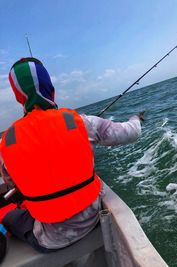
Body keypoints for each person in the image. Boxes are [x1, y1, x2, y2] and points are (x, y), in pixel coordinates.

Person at [0, 57, 144, 253]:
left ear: (19, 97)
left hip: (51, 240)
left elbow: (12, 185)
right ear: (49, 87)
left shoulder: (7, 142)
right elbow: (132, 132)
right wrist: (136, 118)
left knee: (9, 218)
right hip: (93, 220)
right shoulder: (82, 122)